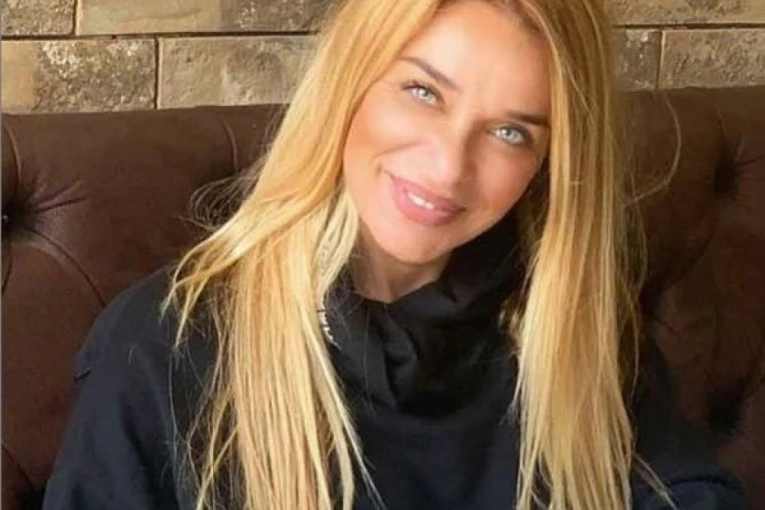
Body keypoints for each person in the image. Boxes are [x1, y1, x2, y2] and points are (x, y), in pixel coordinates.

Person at [42, 0, 749, 509]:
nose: (447, 168)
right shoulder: (165, 344)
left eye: (510, 133)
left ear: (547, 164)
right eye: (422, 91)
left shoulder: (569, 331)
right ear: (349, 84)